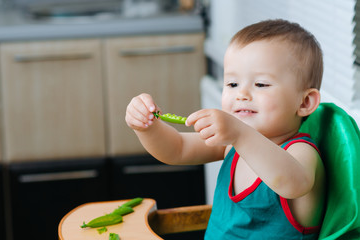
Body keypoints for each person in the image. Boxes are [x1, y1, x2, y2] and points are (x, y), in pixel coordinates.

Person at [125, 19, 326, 239]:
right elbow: (177, 149)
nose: (241, 95)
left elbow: (290, 183)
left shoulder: (301, 152)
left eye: (260, 84)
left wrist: (240, 134)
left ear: (305, 102)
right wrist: (147, 128)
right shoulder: (232, 146)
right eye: (232, 84)